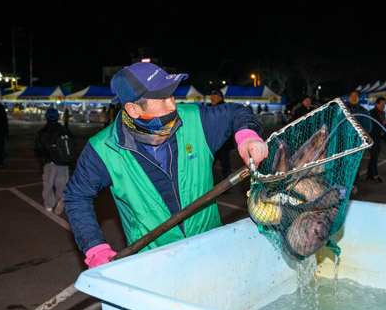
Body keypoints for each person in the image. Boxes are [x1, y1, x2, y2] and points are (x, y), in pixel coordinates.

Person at [63, 62, 268, 269]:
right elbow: (76, 195)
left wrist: (247, 134)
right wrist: (94, 247)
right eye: (162, 99)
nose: (172, 106)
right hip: (154, 265)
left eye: (171, 95)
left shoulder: (196, 120)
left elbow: (235, 112)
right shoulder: (104, 149)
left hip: (211, 251)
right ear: (133, 109)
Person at [35, 108, 76, 214]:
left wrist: (42, 160)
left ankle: (49, 204)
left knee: (48, 184)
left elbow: (39, 149)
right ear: (58, 117)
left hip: (49, 162)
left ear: (46, 117)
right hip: (63, 161)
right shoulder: (64, 130)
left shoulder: (43, 132)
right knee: (61, 183)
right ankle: (60, 199)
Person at [345, 90, 371, 194]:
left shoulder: (363, 112)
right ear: (348, 97)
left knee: (354, 164)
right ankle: (341, 184)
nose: (353, 98)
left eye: (356, 96)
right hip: (342, 142)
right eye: (352, 96)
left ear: (359, 98)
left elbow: (368, 128)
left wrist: (357, 136)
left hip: (356, 143)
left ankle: (353, 184)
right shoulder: (342, 109)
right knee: (341, 163)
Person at [208, 89, 235, 186]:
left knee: (226, 166)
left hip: (224, 144)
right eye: (211, 96)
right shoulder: (209, 107)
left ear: (220, 97)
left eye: (214, 96)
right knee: (208, 166)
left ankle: (228, 187)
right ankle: (208, 185)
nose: (211, 98)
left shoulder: (225, 108)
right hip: (213, 144)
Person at [366, 97, 386, 182]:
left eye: (384, 104)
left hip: (378, 138)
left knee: (375, 157)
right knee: (374, 155)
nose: (383, 106)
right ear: (376, 104)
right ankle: (375, 174)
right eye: (381, 104)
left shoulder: (382, 113)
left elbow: (383, 126)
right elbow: (375, 123)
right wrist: (385, 122)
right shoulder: (371, 113)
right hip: (371, 138)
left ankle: (370, 174)